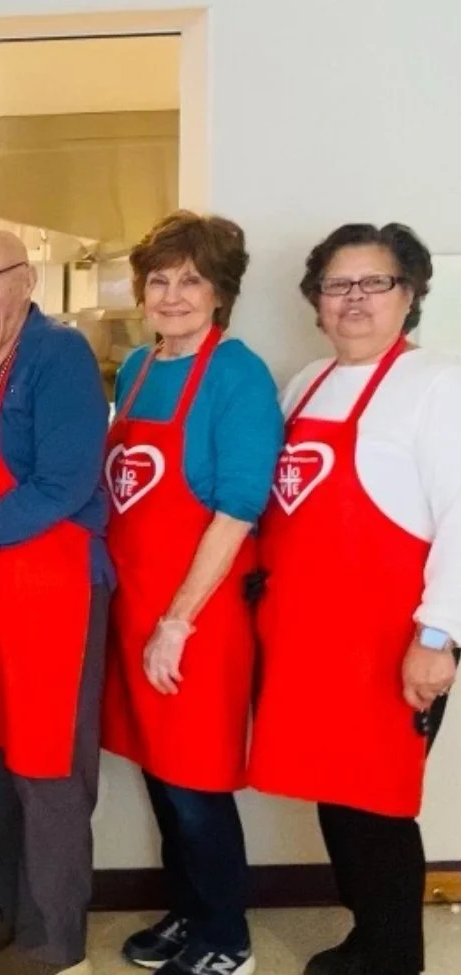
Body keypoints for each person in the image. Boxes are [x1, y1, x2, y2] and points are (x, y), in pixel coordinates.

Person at [248, 223, 461, 975]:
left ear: (409, 295)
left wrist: (438, 638)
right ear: (316, 301)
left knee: (378, 803)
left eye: (376, 283)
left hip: (389, 640)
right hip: (307, 635)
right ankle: (367, 937)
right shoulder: (304, 382)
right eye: (338, 285)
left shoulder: (436, 383)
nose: (355, 300)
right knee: (334, 798)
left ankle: (396, 955)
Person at [100, 211, 282, 975]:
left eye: (192, 280)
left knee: (197, 782)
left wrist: (177, 620)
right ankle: (189, 910)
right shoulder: (140, 367)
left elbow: (239, 510)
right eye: (160, 279)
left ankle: (225, 938)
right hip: (133, 605)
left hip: (194, 617)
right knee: (162, 777)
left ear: (220, 292)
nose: (172, 294)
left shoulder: (236, 373)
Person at [0, 227, 111, 975]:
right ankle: (17, 914)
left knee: (48, 771)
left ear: (25, 281)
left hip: (50, 592)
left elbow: (65, 482)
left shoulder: (58, 356)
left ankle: (56, 942)